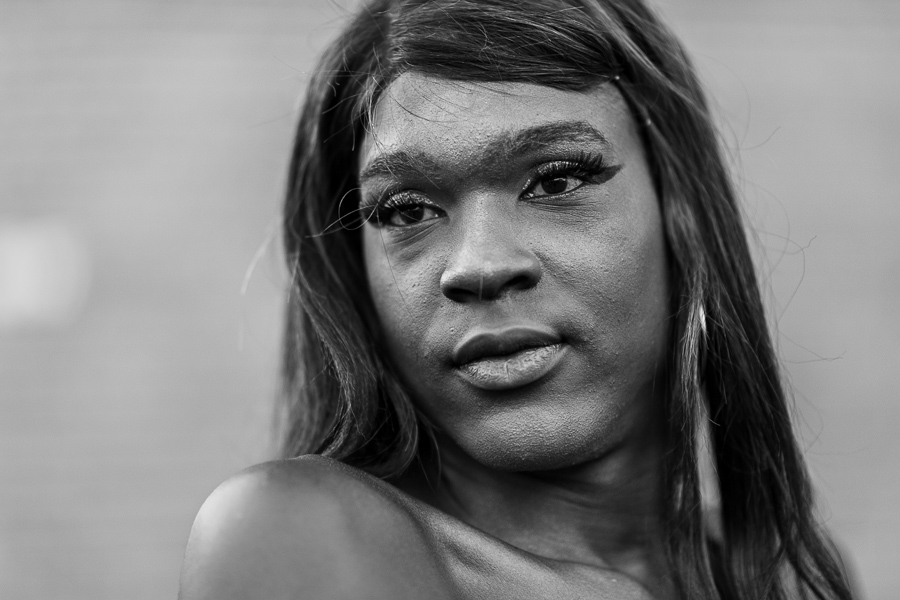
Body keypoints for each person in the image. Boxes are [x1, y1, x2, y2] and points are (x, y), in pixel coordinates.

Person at [178, 0, 855, 598]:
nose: (479, 265)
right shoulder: (298, 535)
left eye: (557, 180)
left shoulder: (789, 578)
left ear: (684, 215)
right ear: (356, 275)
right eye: (407, 209)